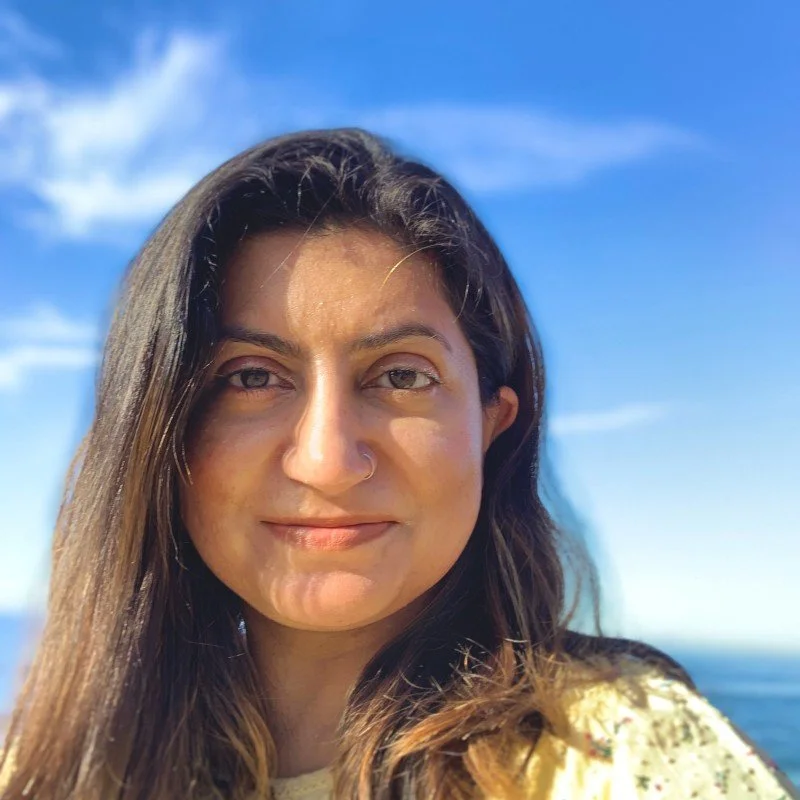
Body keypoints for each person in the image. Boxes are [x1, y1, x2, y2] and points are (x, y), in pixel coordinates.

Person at [0, 129, 795, 800]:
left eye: (402, 376)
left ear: (493, 423)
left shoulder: (625, 761)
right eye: (250, 377)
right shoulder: (51, 766)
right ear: (159, 430)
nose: (327, 461)